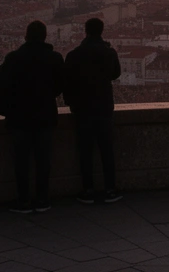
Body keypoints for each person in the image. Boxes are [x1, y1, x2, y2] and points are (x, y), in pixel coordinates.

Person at [0, 20, 64, 213]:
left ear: (26, 36)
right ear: (44, 37)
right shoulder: (55, 58)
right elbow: (60, 86)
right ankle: (42, 199)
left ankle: (23, 200)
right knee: (43, 160)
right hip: (45, 116)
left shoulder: (13, 58)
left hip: (19, 117)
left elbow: (5, 86)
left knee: (21, 161)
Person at [63, 17, 122, 204]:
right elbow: (116, 74)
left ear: (85, 31)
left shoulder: (74, 55)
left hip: (82, 109)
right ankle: (110, 189)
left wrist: (71, 103)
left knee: (85, 151)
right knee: (107, 150)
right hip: (103, 107)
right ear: (102, 31)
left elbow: (67, 82)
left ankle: (88, 189)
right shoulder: (109, 52)